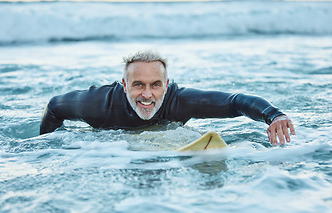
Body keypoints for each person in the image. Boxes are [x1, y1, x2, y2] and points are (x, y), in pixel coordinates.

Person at [40, 50, 295, 146]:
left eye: (155, 85)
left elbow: (235, 101)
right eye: (138, 85)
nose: (147, 95)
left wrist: (274, 115)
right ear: (124, 84)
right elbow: (54, 107)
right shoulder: (97, 104)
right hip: (110, 146)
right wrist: (50, 145)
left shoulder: (179, 100)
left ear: (167, 85)